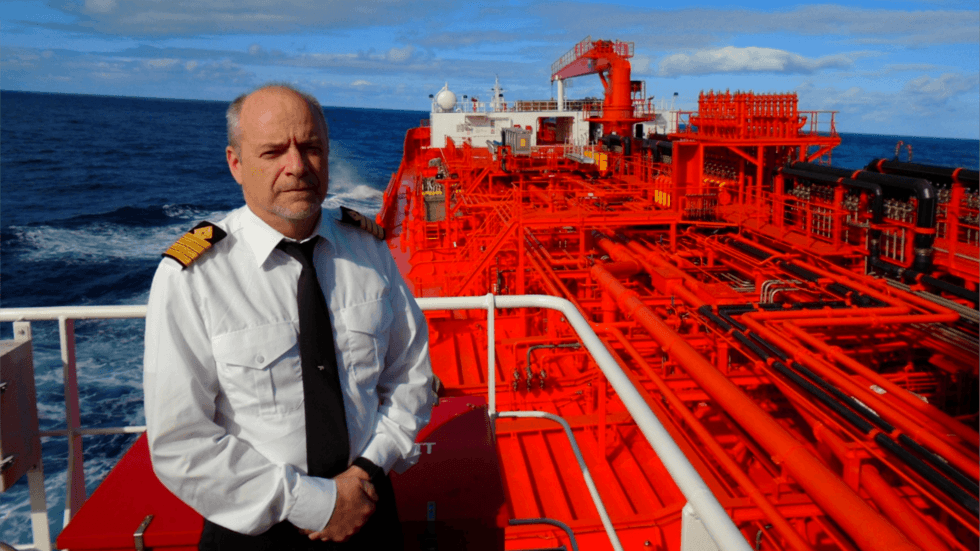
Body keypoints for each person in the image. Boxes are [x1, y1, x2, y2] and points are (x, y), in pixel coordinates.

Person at [143, 84, 434, 550]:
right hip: (257, 528)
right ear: (236, 163)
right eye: (273, 151)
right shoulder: (194, 276)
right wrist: (316, 502)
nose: (297, 166)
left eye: (311, 148)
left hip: (370, 508)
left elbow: (411, 376)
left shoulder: (369, 251)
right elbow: (181, 441)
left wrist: (367, 472)